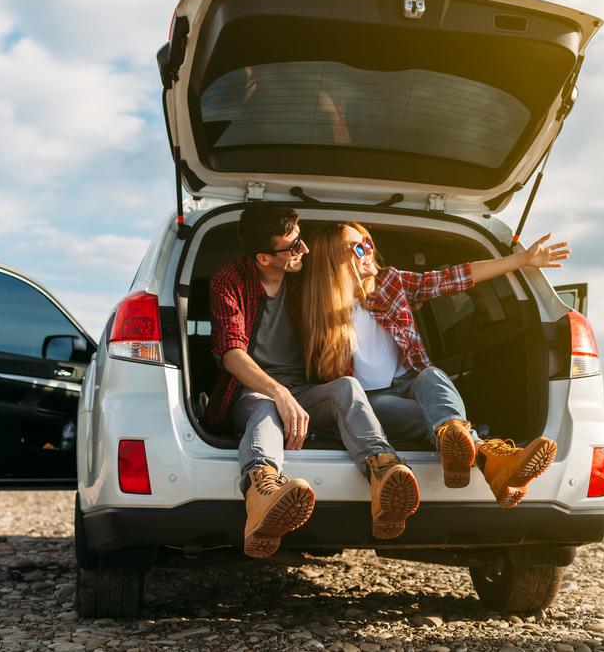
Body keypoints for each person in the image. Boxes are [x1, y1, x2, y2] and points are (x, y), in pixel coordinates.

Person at [300, 221, 569, 508]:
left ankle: (464, 445)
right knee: (434, 416)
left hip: (409, 382)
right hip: (366, 402)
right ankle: (491, 460)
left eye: (369, 243)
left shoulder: (390, 284)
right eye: (358, 246)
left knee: (433, 375)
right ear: (331, 257)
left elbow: (452, 278)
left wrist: (522, 259)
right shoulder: (312, 305)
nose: (368, 251)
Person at [206, 206, 419, 559]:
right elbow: (232, 354)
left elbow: (345, 277)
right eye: (293, 247)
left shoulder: (302, 277)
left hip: (306, 388)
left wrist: (359, 251)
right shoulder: (228, 281)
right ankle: (263, 493)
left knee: (348, 387)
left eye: (301, 241)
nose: (303, 250)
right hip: (252, 389)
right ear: (262, 257)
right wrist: (279, 393)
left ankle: (383, 473)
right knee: (263, 411)